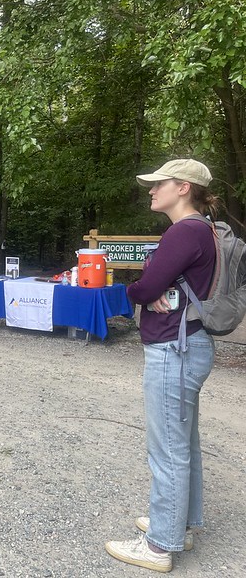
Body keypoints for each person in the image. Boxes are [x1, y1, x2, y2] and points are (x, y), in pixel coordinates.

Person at [105, 159, 218, 573]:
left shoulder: (184, 231)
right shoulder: (202, 230)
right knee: (182, 443)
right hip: (188, 344)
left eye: (159, 184)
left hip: (175, 348)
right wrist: (157, 286)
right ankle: (180, 524)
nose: (152, 190)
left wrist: (142, 288)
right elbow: (162, 284)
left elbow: (146, 287)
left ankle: (159, 546)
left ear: (184, 188)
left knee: (167, 449)